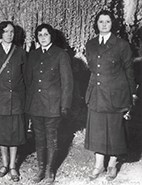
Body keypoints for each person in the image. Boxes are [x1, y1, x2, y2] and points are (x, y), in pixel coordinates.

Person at [81, 10, 136, 181]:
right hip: (96, 94)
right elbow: (91, 68)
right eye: (101, 22)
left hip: (115, 94)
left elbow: (129, 71)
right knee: (97, 129)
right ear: (96, 24)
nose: (104, 25)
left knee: (114, 130)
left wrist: (131, 95)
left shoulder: (121, 45)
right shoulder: (90, 44)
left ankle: (112, 164)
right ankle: (98, 165)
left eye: (108, 22)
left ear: (113, 24)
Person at [26, 23, 73, 184]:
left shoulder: (61, 55)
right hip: (36, 105)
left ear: (51, 36)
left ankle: (50, 170)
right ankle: (40, 169)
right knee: (39, 138)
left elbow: (67, 83)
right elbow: (28, 81)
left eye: (46, 34)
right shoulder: (33, 55)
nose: (43, 37)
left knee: (51, 138)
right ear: (37, 38)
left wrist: (65, 105)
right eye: (40, 35)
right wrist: (28, 105)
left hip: (53, 105)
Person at [0, 21, 26, 182]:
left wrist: (24, 100)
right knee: (1, 133)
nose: (9, 34)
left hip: (16, 100)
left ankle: (13, 166)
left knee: (14, 133)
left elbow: (25, 78)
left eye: (12, 32)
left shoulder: (20, 52)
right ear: (0, 34)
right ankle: (5, 164)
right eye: (6, 31)